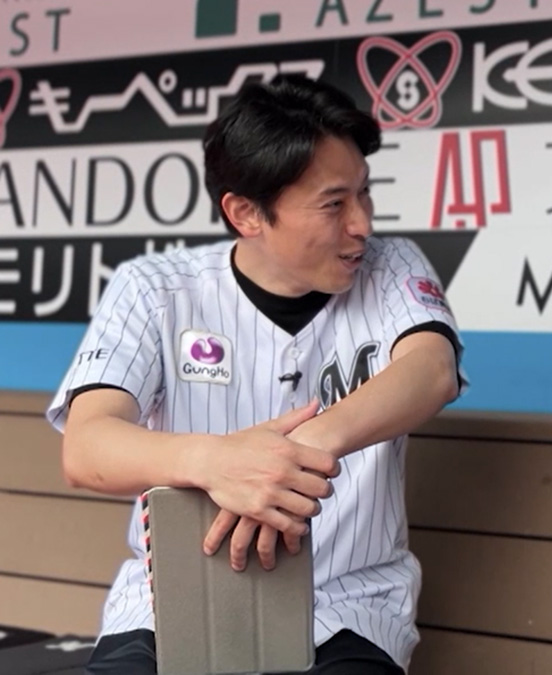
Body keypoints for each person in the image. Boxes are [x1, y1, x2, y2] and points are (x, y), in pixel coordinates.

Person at [46, 74, 463, 675]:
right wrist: (215, 463)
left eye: (364, 193)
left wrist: (291, 454)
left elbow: (433, 370)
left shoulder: (391, 265)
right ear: (246, 213)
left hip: (347, 607)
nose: (361, 224)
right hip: (170, 604)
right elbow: (86, 449)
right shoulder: (156, 288)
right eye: (334, 203)